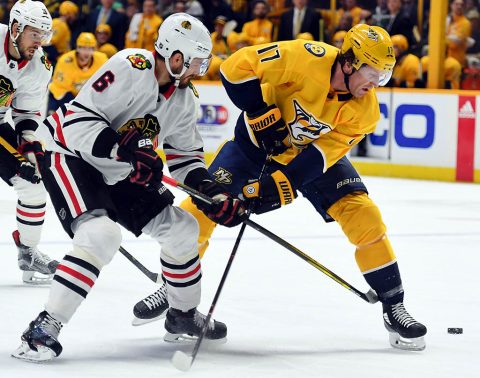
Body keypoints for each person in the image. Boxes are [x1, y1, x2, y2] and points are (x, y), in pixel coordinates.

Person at [133, 24, 428, 352]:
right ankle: (174, 289)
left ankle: (394, 305)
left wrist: (275, 189)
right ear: (348, 64)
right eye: (373, 73)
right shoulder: (303, 58)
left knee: (364, 215)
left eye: (383, 77)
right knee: (201, 206)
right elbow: (234, 67)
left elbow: (321, 156)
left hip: (308, 157)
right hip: (253, 147)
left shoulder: (366, 111)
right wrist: (261, 112)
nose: (376, 84)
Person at [12, 13, 245, 362]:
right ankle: (43, 328)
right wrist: (126, 150)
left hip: (120, 168)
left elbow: (186, 159)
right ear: (176, 56)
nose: (201, 68)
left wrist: (212, 193)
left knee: (184, 229)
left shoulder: (184, 99)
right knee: (101, 236)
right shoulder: (130, 66)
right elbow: (77, 121)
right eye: (197, 61)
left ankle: (181, 315)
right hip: (68, 155)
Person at [0, 0, 59, 284]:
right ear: (15, 28)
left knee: (35, 185)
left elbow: (26, 113)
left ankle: (28, 252)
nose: (40, 42)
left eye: (44, 35)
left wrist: (29, 143)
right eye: (34, 34)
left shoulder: (39, 66)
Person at [48, 32, 108, 113]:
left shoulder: (102, 59)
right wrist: (77, 107)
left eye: (90, 48)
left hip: (89, 99)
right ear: (77, 48)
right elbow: (60, 90)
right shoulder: (65, 61)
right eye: (83, 48)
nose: (87, 52)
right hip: (64, 98)